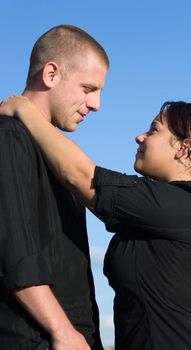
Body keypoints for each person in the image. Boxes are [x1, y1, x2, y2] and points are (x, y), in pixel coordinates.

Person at [1, 98, 191, 350]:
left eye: (153, 130)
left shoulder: (189, 204)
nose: (139, 137)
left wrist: (22, 109)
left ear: (183, 148)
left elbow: (81, 176)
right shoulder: (160, 208)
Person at [0, 24, 109, 350]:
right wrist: (62, 331)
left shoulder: (53, 154)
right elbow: (15, 252)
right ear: (51, 74)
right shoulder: (8, 136)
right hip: (38, 339)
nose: (96, 104)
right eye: (89, 88)